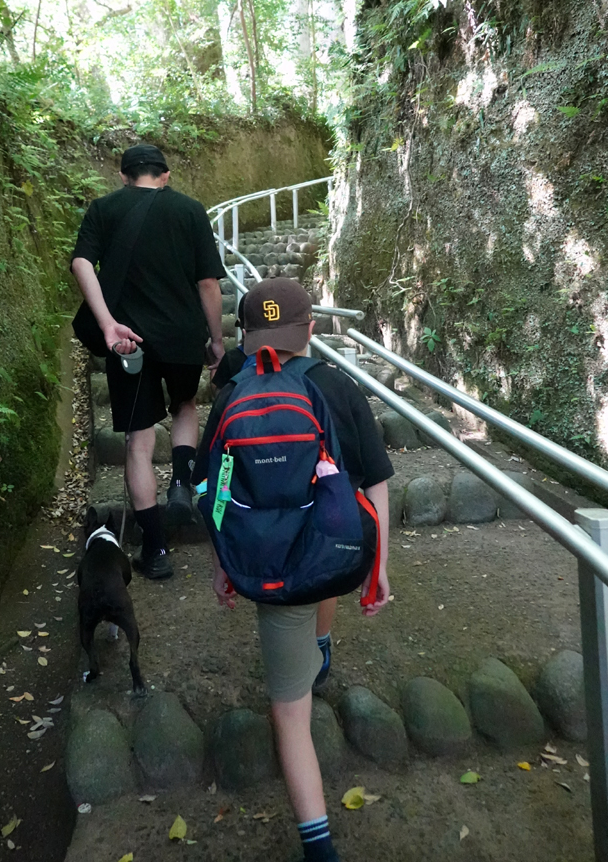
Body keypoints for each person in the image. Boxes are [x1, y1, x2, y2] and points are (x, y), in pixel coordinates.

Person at [194, 278, 392, 862]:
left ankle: (318, 845)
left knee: (289, 708)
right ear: (311, 330)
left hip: (270, 564)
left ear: (244, 337)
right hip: (338, 553)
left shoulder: (232, 393)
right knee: (327, 548)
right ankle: (323, 644)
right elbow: (376, 481)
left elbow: (214, 490)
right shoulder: (340, 386)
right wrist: (380, 565)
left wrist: (221, 565)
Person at [71, 143, 226, 580]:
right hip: (182, 336)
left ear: (123, 176)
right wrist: (216, 340)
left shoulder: (104, 208)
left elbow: (81, 261)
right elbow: (209, 283)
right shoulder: (190, 210)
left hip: (128, 344)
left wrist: (106, 324)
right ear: (166, 174)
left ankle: (156, 551)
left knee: (138, 442)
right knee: (185, 406)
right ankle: (180, 482)